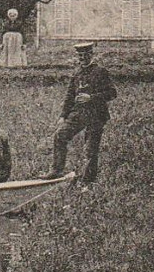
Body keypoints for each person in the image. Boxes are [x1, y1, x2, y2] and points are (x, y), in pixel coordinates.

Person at [45, 41, 117, 183]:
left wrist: (91, 97)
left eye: (85, 55)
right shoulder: (77, 73)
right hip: (78, 114)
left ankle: (87, 181)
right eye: (80, 56)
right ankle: (56, 171)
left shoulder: (100, 71)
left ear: (91, 55)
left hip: (96, 115)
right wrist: (63, 115)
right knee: (60, 135)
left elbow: (112, 93)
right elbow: (69, 96)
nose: (82, 58)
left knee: (90, 149)